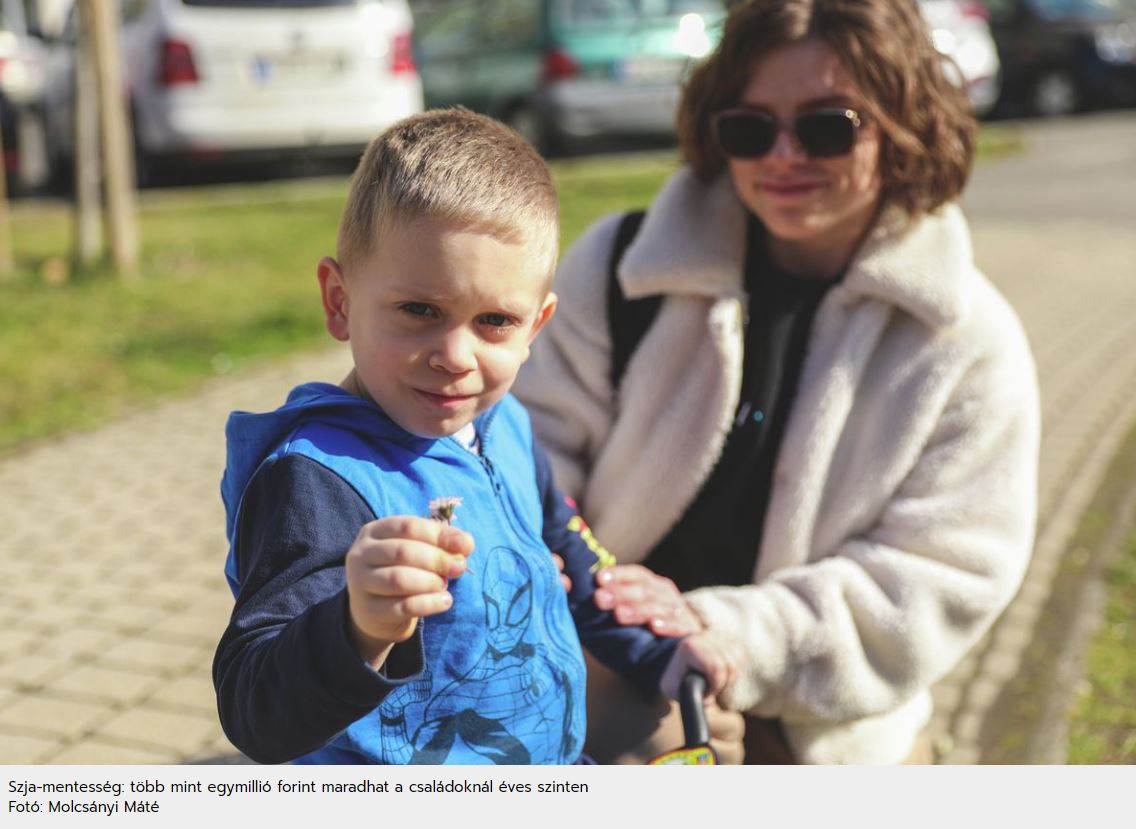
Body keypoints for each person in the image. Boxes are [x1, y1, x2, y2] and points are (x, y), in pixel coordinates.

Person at [514, 0, 1040, 765]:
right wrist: (613, 619)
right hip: (595, 672)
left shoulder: (967, 341)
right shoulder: (618, 271)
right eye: (750, 128)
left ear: (904, 125)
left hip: (825, 739)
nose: (784, 154)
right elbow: (520, 464)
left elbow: (935, 579)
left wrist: (724, 632)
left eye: (828, 125)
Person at [212, 108, 731, 765]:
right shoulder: (316, 476)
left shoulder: (504, 423)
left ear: (535, 326)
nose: (455, 355)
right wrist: (355, 627)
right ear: (340, 301)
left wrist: (655, 648)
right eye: (420, 310)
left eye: (494, 321)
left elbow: (568, 552)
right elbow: (253, 707)